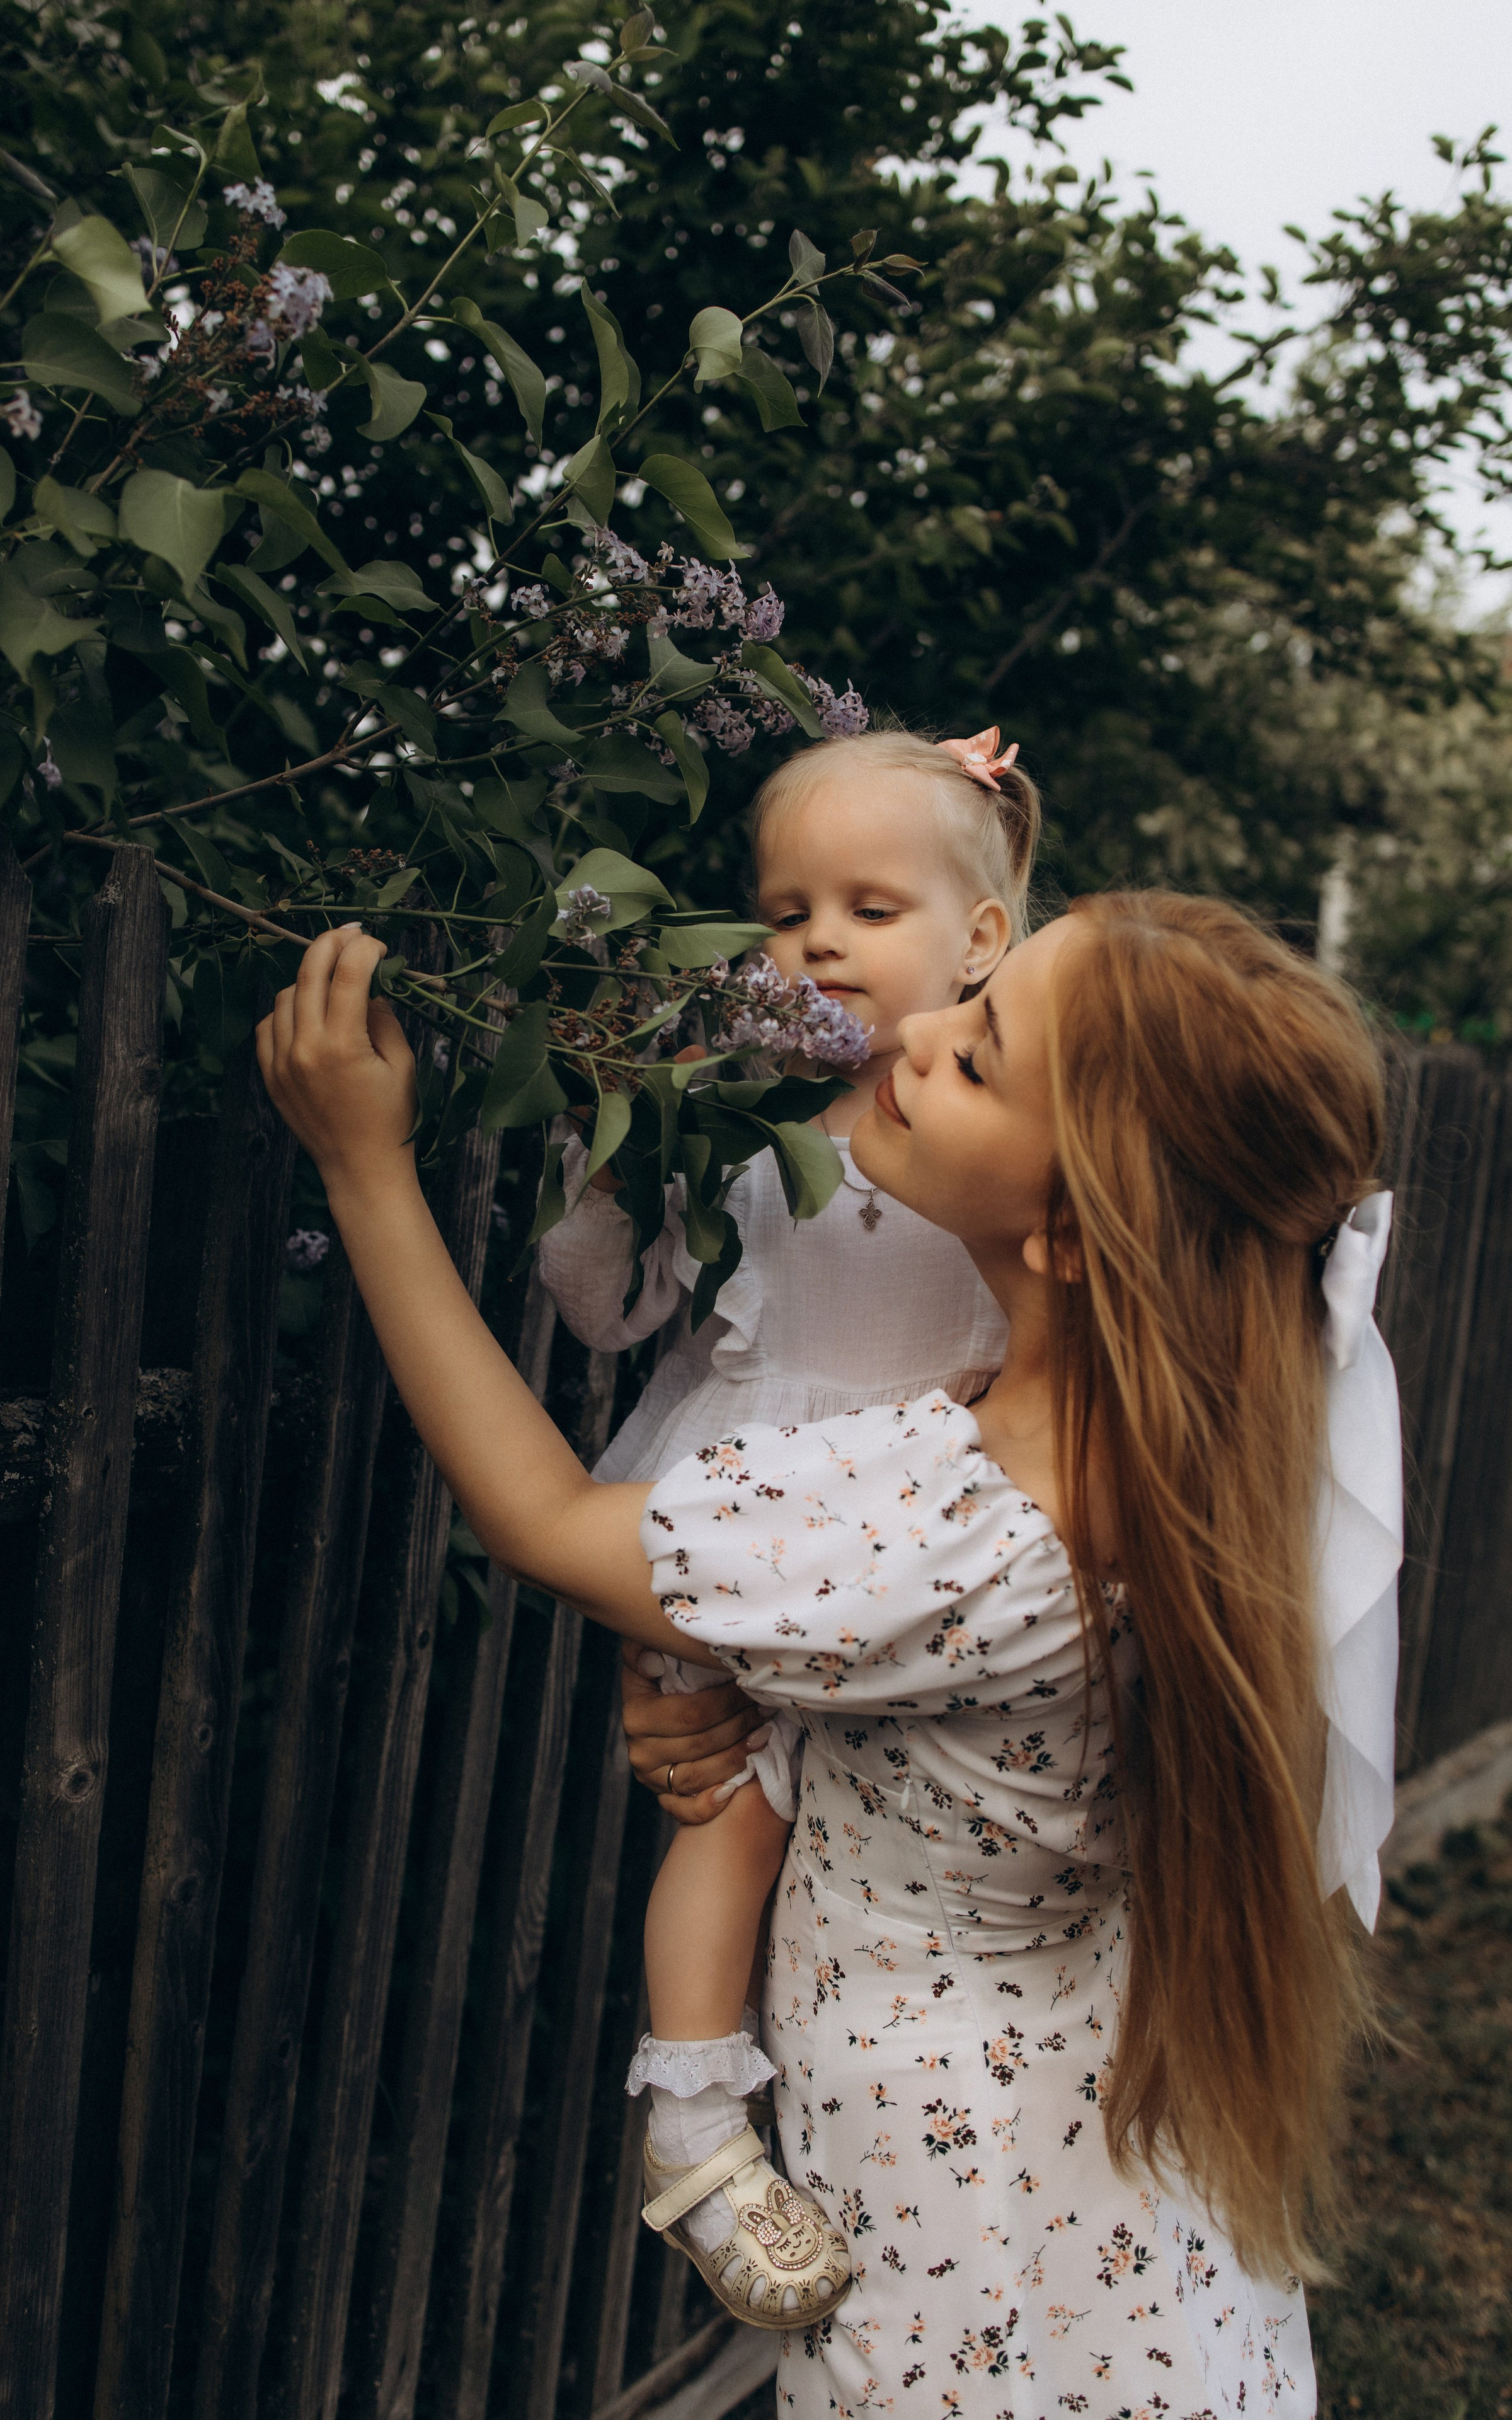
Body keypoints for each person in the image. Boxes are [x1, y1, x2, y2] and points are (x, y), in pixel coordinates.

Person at [255, 887, 1401, 2416]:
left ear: (1065, 1231)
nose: (916, 1032)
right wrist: (740, 1690)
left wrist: (365, 1166)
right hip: (1109, 2204)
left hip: (970, 2253)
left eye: (979, 1058)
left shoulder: (959, 1522)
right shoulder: (1196, 1455)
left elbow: (541, 1519)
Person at [536, 727, 1038, 2319]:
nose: (813, 941)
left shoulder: (1001, 1130)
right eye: (782, 909)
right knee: (727, 1812)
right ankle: (695, 2126)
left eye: (868, 906)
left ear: (980, 939)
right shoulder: (736, 1122)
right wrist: (615, 1149)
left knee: (876, 1833)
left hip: (915, 1551)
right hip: (734, 1519)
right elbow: (605, 1318)